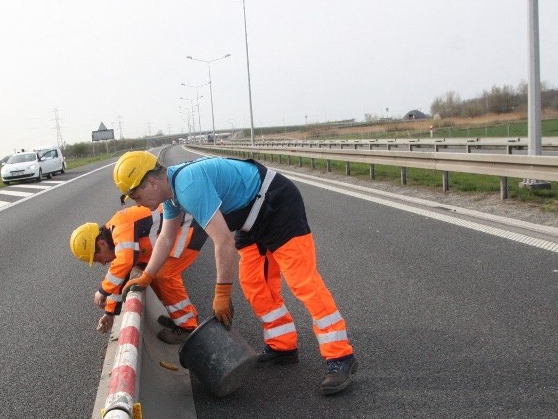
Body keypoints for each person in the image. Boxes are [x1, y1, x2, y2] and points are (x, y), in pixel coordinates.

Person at [113, 151, 358, 395]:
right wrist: (147, 276)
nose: (137, 203)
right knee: (254, 283)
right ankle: (282, 347)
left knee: (303, 282)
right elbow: (166, 238)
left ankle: (341, 356)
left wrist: (222, 294)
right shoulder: (171, 196)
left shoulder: (188, 186)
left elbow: (223, 242)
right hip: (249, 218)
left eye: (136, 195)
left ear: (153, 182)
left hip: (277, 204)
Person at [69, 204, 207, 344]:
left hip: (187, 227)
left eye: (98, 259)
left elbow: (125, 262)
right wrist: (109, 313)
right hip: (180, 228)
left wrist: (103, 291)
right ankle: (180, 318)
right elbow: (119, 276)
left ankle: (187, 327)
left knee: (164, 275)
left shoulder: (121, 228)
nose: (103, 264)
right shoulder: (115, 236)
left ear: (102, 244)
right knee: (153, 275)